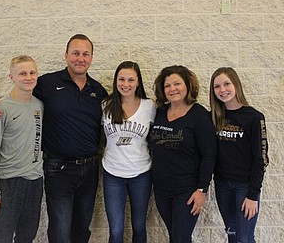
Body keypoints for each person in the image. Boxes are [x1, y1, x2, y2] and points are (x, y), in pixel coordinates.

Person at [0, 34, 108, 243]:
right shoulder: (48, 83)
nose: (80, 58)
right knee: (60, 227)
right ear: (66, 55)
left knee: (82, 227)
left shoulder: (98, 90)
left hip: (90, 169)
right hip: (58, 169)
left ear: (91, 57)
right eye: (75, 53)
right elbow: (20, 94)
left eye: (85, 54)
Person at [149, 65, 217, 243]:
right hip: (161, 189)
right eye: (167, 86)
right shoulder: (159, 113)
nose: (172, 89)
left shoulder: (199, 115)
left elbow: (209, 156)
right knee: (176, 236)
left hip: (186, 191)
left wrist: (202, 190)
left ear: (187, 85)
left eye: (177, 83)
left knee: (180, 238)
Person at [0, 55, 44, 243]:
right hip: (7, 184)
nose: (28, 77)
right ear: (12, 77)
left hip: (34, 183)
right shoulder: (0, 108)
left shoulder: (39, 105)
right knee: (2, 239)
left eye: (32, 73)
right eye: (22, 73)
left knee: (26, 238)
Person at [209, 67, 269, 243]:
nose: (222, 90)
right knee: (232, 234)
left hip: (245, 187)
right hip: (222, 185)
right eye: (217, 86)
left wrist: (252, 194)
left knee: (244, 238)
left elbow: (261, 158)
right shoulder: (214, 117)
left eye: (226, 84)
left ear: (236, 85)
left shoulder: (254, 117)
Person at [101, 61, 156, 243]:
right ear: (116, 81)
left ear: (138, 82)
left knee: (139, 226)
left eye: (131, 80)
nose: (126, 84)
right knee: (116, 230)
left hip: (141, 173)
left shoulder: (150, 107)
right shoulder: (105, 105)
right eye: (122, 79)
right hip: (112, 174)